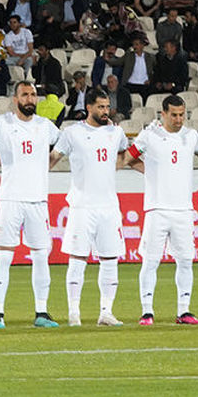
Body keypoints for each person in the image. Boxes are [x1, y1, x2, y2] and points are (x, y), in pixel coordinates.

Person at [127, 95, 198, 325]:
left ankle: (184, 311)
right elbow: (128, 158)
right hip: (157, 209)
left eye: (182, 114)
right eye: (174, 115)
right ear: (163, 114)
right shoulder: (150, 135)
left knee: (185, 260)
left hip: (184, 210)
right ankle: (147, 311)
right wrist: (150, 172)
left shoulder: (191, 136)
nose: (178, 119)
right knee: (151, 260)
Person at [0, 81, 62, 328]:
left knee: (41, 255)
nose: (30, 99)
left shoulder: (46, 126)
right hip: (10, 198)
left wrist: (44, 166)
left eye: (33, 95)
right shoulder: (0, 123)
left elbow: (61, 148)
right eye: (25, 94)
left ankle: (41, 312)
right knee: (4, 255)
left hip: (37, 200)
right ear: (15, 98)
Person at [52, 89, 130, 326]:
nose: (105, 111)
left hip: (108, 206)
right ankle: (74, 312)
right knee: (77, 258)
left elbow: (125, 155)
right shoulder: (72, 133)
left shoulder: (116, 132)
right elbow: (54, 157)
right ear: (89, 107)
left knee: (109, 259)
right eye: (100, 107)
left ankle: (106, 312)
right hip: (81, 206)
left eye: (107, 107)